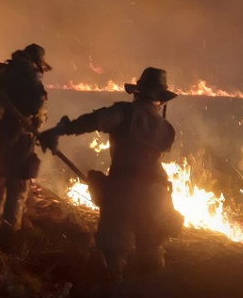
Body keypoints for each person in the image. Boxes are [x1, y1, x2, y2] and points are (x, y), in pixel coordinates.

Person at [38, 67, 182, 278]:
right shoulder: (166, 129)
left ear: (137, 92)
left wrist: (59, 130)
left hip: (123, 191)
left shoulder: (125, 112)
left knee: (113, 253)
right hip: (157, 194)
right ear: (160, 99)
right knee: (151, 253)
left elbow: (95, 120)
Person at [0, 43, 51, 250]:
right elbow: (37, 103)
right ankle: (8, 242)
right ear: (36, 62)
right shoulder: (30, 75)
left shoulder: (3, 73)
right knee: (17, 192)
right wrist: (34, 120)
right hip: (19, 142)